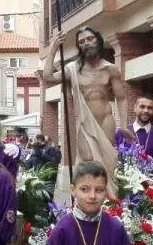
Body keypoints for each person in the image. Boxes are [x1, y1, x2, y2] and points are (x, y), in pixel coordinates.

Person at [39, 26, 130, 196]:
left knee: (107, 167)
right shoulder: (73, 69)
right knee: (87, 162)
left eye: (89, 39)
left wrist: (123, 125)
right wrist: (53, 48)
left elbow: (122, 97)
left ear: (97, 40)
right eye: (81, 42)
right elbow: (48, 76)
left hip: (105, 121)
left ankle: (109, 204)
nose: (86, 44)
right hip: (84, 124)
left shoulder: (110, 69)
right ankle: (88, 198)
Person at [115, 96, 153, 166]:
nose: (146, 111)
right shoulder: (122, 133)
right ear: (135, 108)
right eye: (142, 107)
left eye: (149, 108)